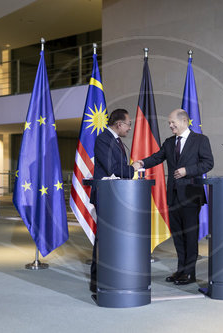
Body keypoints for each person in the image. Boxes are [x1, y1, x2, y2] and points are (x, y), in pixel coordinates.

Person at [136, 108, 213, 285]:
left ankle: (190, 273)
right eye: (169, 123)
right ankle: (180, 270)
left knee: (190, 235)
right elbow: (157, 157)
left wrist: (188, 170)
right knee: (178, 236)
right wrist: (141, 163)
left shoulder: (200, 140)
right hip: (172, 196)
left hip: (191, 195)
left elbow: (208, 162)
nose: (170, 125)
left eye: (172, 122)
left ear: (184, 121)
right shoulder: (170, 142)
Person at [89, 108, 141, 293]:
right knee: (104, 239)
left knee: (114, 238)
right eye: (128, 124)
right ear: (119, 124)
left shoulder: (116, 141)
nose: (129, 128)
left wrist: (130, 169)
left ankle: (113, 276)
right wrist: (132, 169)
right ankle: (97, 280)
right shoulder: (104, 139)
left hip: (117, 195)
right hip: (106, 195)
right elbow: (112, 167)